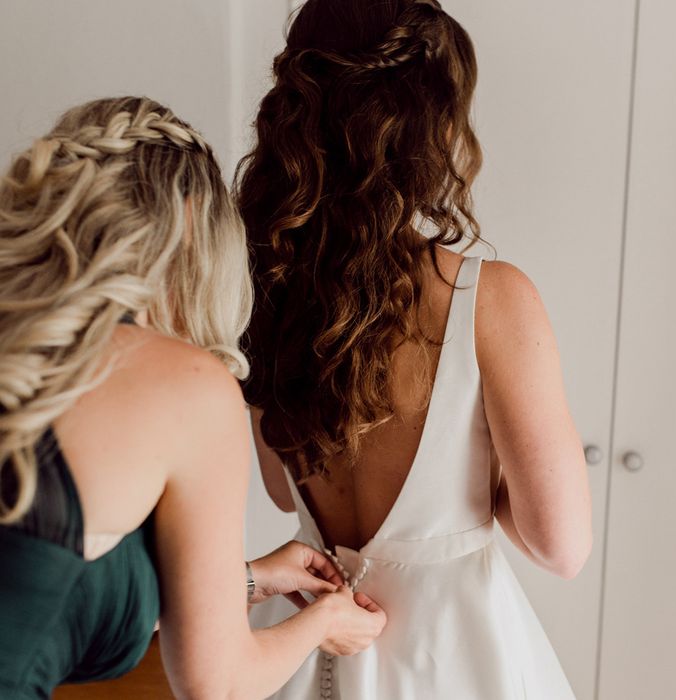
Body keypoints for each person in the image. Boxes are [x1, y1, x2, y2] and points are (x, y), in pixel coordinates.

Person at [236, 0, 593, 698]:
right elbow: (561, 545)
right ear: (428, 126)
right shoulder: (490, 298)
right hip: (454, 655)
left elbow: (284, 493)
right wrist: (478, 464)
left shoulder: (263, 287)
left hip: (314, 639)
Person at [0, 96, 386, 700]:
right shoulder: (185, 384)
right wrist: (323, 624)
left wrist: (248, 580)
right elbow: (218, 685)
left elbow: (41, 579)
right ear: (187, 221)